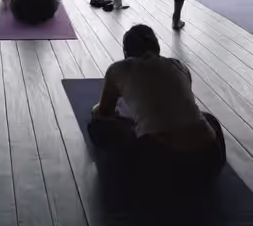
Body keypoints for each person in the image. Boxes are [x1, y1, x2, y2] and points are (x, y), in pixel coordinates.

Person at [90, 24, 224, 202]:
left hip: (162, 166)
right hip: (210, 161)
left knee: (98, 127)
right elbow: (176, 107)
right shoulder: (179, 66)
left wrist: (98, 110)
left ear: (126, 52)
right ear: (157, 48)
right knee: (208, 119)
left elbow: (104, 112)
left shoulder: (118, 69)